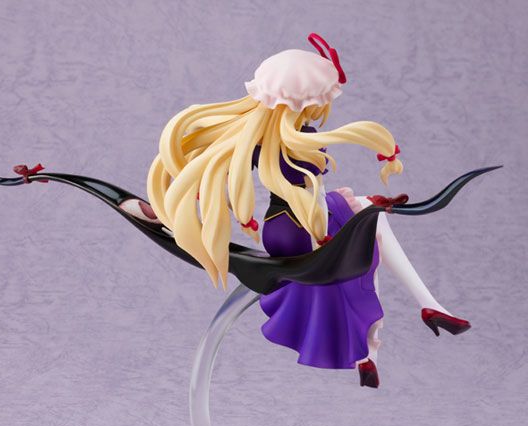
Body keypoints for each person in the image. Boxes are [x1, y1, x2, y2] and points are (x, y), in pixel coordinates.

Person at [146, 33, 470, 389]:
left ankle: (383, 340)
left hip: (281, 229)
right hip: (305, 228)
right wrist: (326, 229)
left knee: (368, 228)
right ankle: (410, 317)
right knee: (370, 228)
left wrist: (199, 203)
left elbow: (224, 172)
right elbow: (309, 194)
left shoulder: (258, 140)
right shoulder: (304, 140)